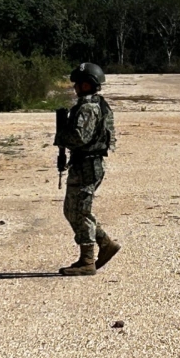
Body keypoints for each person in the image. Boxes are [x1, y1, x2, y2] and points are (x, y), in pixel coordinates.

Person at [54, 63, 119, 276]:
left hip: (88, 165)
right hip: (86, 163)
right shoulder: (95, 104)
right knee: (73, 210)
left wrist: (61, 135)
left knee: (79, 211)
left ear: (86, 85)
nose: (75, 88)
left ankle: (88, 260)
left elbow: (80, 137)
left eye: (77, 84)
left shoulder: (88, 108)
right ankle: (105, 243)